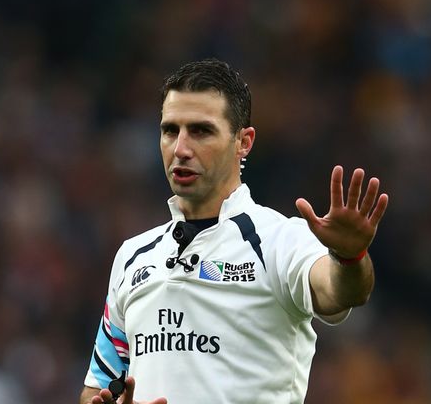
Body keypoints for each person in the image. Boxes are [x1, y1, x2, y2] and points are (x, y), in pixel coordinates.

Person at [80, 59, 389, 404]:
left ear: (244, 142)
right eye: (170, 130)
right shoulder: (132, 257)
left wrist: (349, 257)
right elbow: (98, 386)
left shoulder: (278, 240)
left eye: (201, 131)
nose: (180, 148)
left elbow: (341, 291)